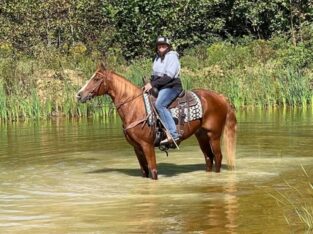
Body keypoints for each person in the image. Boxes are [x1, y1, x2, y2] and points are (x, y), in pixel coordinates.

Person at [143, 36, 182, 145]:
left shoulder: (172, 57)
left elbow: (168, 77)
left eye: (163, 45)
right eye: (159, 45)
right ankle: (157, 131)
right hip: (160, 86)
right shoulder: (156, 58)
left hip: (172, 86)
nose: (161, 47)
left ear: (168, 47)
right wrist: (148, 84)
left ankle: (174, 135)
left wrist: (152, 84)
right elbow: (155, 76)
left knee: (160, 104)